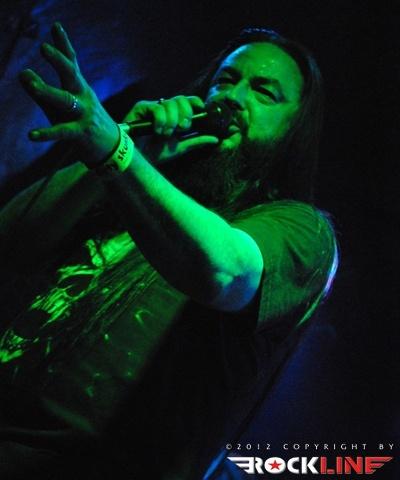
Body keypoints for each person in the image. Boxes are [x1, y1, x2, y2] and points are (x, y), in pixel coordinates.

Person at [0, 23, 337, 479]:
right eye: (225, 80)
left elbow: (225, 272)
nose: (233, 97)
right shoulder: (138, 180)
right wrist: (133, 148)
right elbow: (12, 241)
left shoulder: (298, 227)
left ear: (295, 127)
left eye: (263, 92)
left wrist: (117, 154)